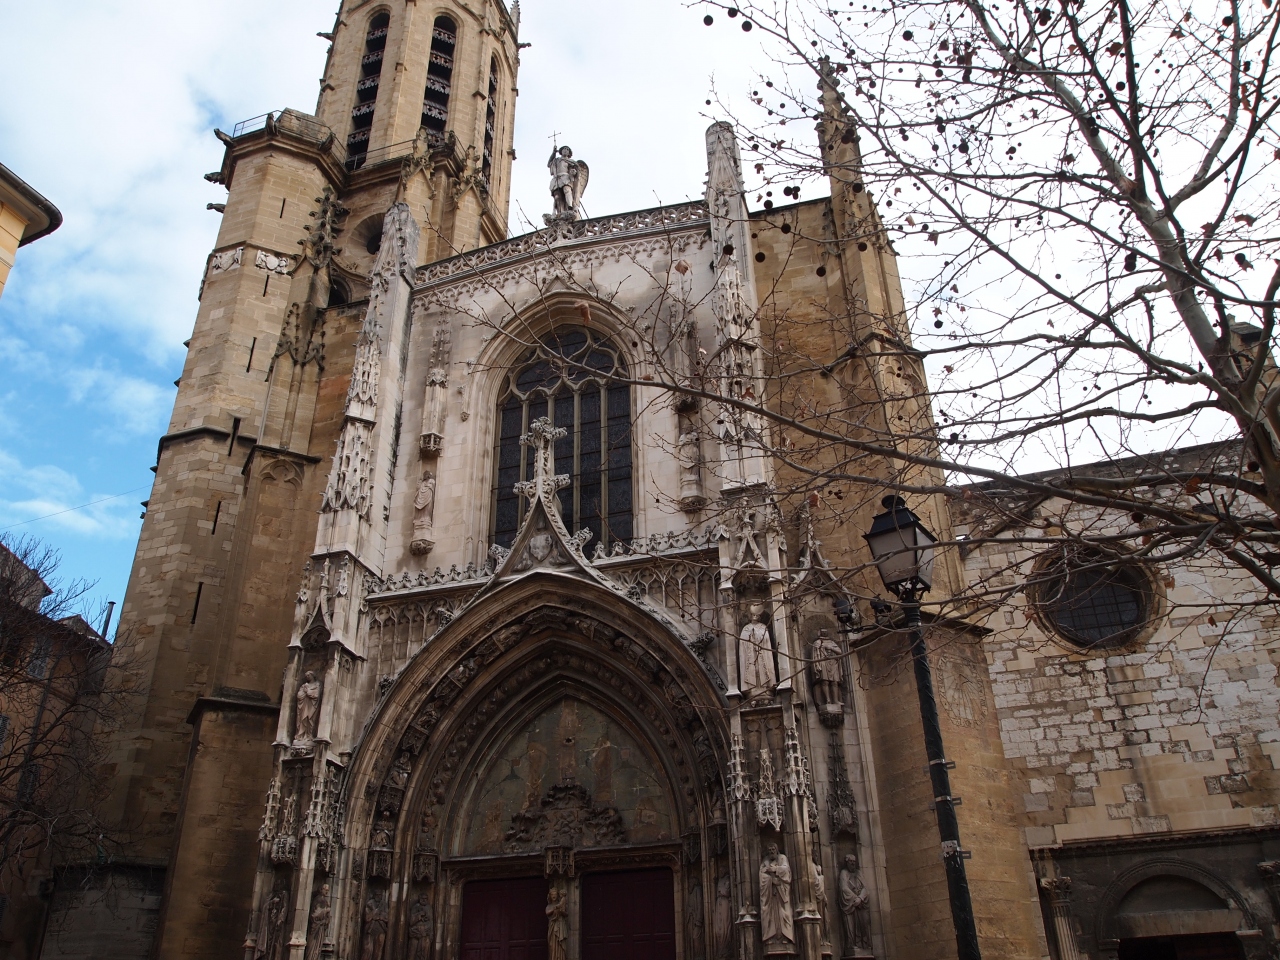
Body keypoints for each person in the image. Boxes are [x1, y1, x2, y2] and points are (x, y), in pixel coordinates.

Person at [758, 842, 794, 947]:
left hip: (781, 893)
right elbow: (761, 875)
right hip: (770, 895)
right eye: (769, 850)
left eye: (773, 849)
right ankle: (770, 937)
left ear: (777, 850)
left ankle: (786, 937)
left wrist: (775, 870)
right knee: (770, 915)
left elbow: (786, 870)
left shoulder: (782, 858)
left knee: (784, 913)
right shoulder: (765, 861)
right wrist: (770, 880)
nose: (771, 851)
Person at [838, 854, 871, 952]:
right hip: (850, 904)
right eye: (850, 861)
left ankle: (864, 945)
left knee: (864, 925)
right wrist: (855, 898)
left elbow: (866, 888)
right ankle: (852, 946)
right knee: (851, 928)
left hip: (861, 903)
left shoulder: (859, 873)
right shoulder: (844, 873)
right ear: (847, 863)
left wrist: (860, 898)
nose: (853, 863)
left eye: (854, 861)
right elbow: (843, 888)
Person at [304, 885, 331, 960]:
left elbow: (327, 917)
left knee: (318, 948)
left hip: (321, 927)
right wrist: (326, 911)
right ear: (321, 889)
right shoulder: (318, 899)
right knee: (312, 947)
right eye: (325, 890)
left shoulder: (325, 901)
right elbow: (314, 915)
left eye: (328, 890)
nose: (327, 892)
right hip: (315, 927)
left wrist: (327, 919)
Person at [295, 670, 322, 744]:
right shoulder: (304, 686)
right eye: (306, 676)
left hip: (312, 705)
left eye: (308, 675)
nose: (307, 677)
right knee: (302, 719)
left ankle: (309, 735)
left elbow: (316, 695)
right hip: (304, 705)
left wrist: (308, 692)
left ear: (312, 676)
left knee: (310, 719)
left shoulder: (317, 685)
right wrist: (304, 692)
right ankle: (301, 736)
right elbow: (299, 696)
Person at [546, 885, 568, 960]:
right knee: (553, 945)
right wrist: (554, 909)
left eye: (555, 894)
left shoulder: (561, 904)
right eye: (552, 894)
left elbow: (566, 914)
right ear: (550, 896)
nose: (554, 896)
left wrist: (561, 911)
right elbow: (547, 913)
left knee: (561, 945)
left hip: (560, 925)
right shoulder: (549, 906)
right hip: (552, 927)